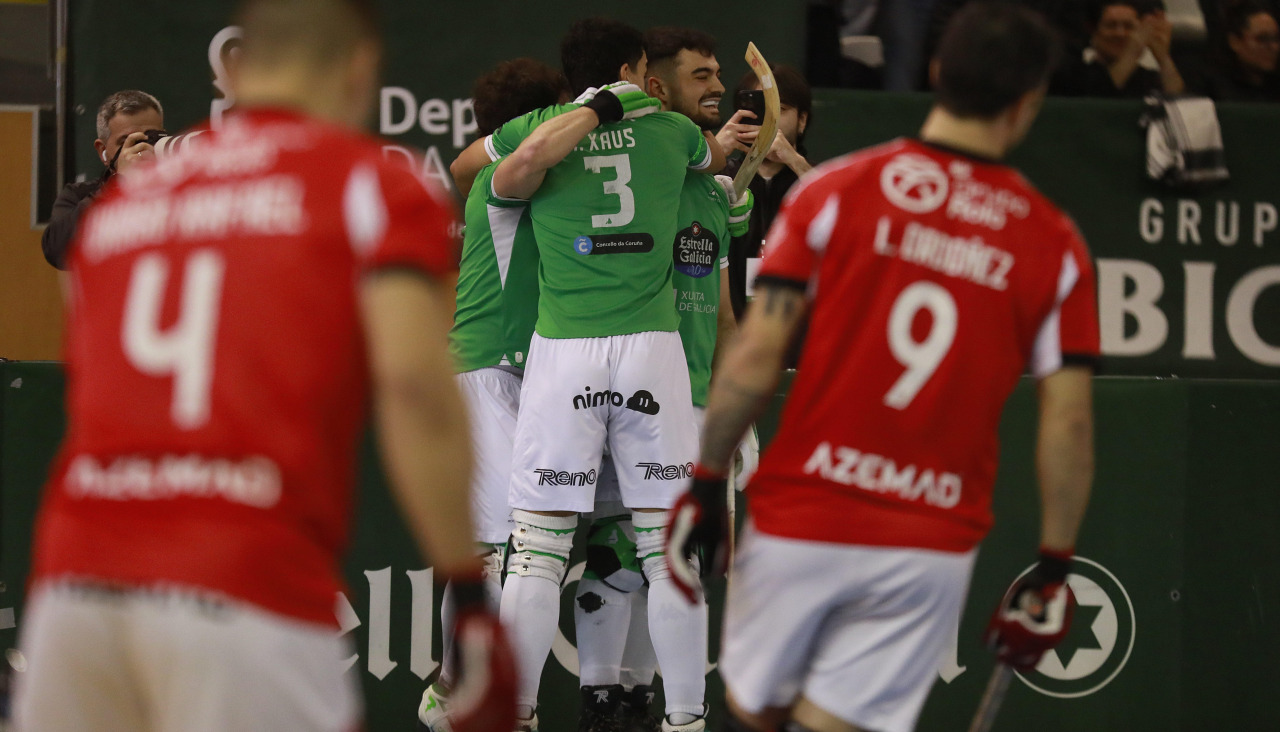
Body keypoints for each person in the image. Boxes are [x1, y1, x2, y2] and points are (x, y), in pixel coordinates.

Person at [14, 2, 515, 732]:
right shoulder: (367, 185)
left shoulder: (124, 205)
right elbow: (416, 391)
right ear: (360, 69)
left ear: (238, 73)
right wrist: (467, 594)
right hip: (242, 580)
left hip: (75, 582)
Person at [666, 4, 1098, 732]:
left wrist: (707, 482)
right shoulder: (1053, 243)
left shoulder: (832, 192)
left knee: (753, 717)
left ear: (934, 74)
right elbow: (1071, 420)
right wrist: (1054, 565)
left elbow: (756, 355)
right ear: (1030, 101)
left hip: (802, 515)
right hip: (925, 541)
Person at [479, 17, 726, 732]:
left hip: (565, 351)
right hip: (652, 347)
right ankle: (686, 721)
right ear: (636, 66)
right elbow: (713, 161)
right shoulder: (671, 131)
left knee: (537, 555)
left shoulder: (543, 125)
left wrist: (585, 115)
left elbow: (492, 171)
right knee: (665, 550)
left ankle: (515, 718)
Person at [572, 25, 750, 732]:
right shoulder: (633, 171)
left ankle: (638, 706)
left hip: (701, 401)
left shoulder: (717, 190)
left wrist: (738, 417)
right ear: (653, 87)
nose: (716, 86)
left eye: (718, 74)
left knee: (671, 565)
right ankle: (601, 706)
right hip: (626, 392)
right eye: (700, 75)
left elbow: (728, 316)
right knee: (618, 556)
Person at [417, 56, 569, 732]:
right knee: (504, 548)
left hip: (530, 373)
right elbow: (464, 163)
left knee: (506, 548)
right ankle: (467, 696)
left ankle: (459, 690)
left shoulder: (527, 179)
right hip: (483, 370)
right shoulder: (505, 184)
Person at [715, 65, 813, 321]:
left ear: (802, 120)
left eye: (780, 111)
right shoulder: (719, 177)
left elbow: (845, 221)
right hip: (728, 327)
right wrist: (712, 152)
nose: (769, 121)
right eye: (761, 110)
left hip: (798, 330)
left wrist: (795, 161)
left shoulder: (816, 179)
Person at [40, 89, 164, 270]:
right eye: (127, 141)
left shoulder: (181, 193)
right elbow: (58, 250)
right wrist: (119, 186)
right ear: (102, 151)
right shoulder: (79, 195)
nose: (143, 148)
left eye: (152, 137)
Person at [1052, 0, 1186, 97]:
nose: (1120, 33)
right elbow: (1099, 97)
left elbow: (1182, 104)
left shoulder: (1147, 78)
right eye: (1111, 25)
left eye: (1129, 26)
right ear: (1093, 31)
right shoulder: (1072, 76)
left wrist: (1163, 57)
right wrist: (1132, 53)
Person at [1199, 0, 1280, 101]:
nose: (1274, 47)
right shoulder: (1212, 88)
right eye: (1262, 39)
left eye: (1276, 39)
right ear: (1235, 42)